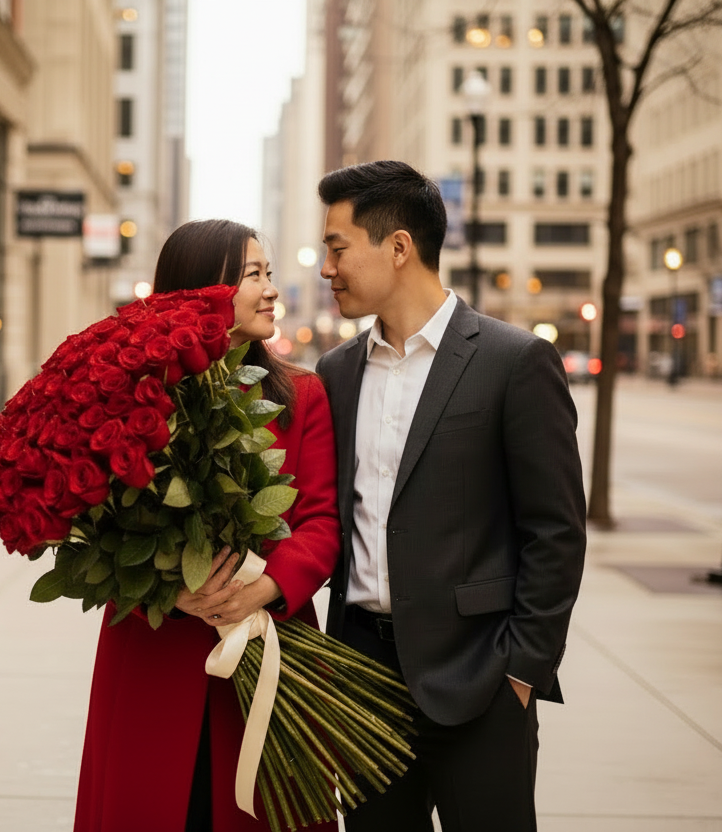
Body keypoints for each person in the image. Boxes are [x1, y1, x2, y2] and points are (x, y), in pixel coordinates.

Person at [313, 160, 586, 831]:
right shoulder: (336, 373)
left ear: (398, 247)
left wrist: (521, 672)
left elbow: (556, 531)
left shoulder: (513, 361)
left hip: (480, 683)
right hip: (364, 682)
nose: (327, 268)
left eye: (338, 247)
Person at [73, 219, 341, 832]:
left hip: (272, 646)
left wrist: (264, 588)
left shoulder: (302, 395)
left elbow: (321, 522)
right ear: (201, 291)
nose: (271, 289)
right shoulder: (134, 398)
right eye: (254, 275)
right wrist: (168, 589)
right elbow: (99, 528)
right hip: (154, 650)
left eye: (269, 273)